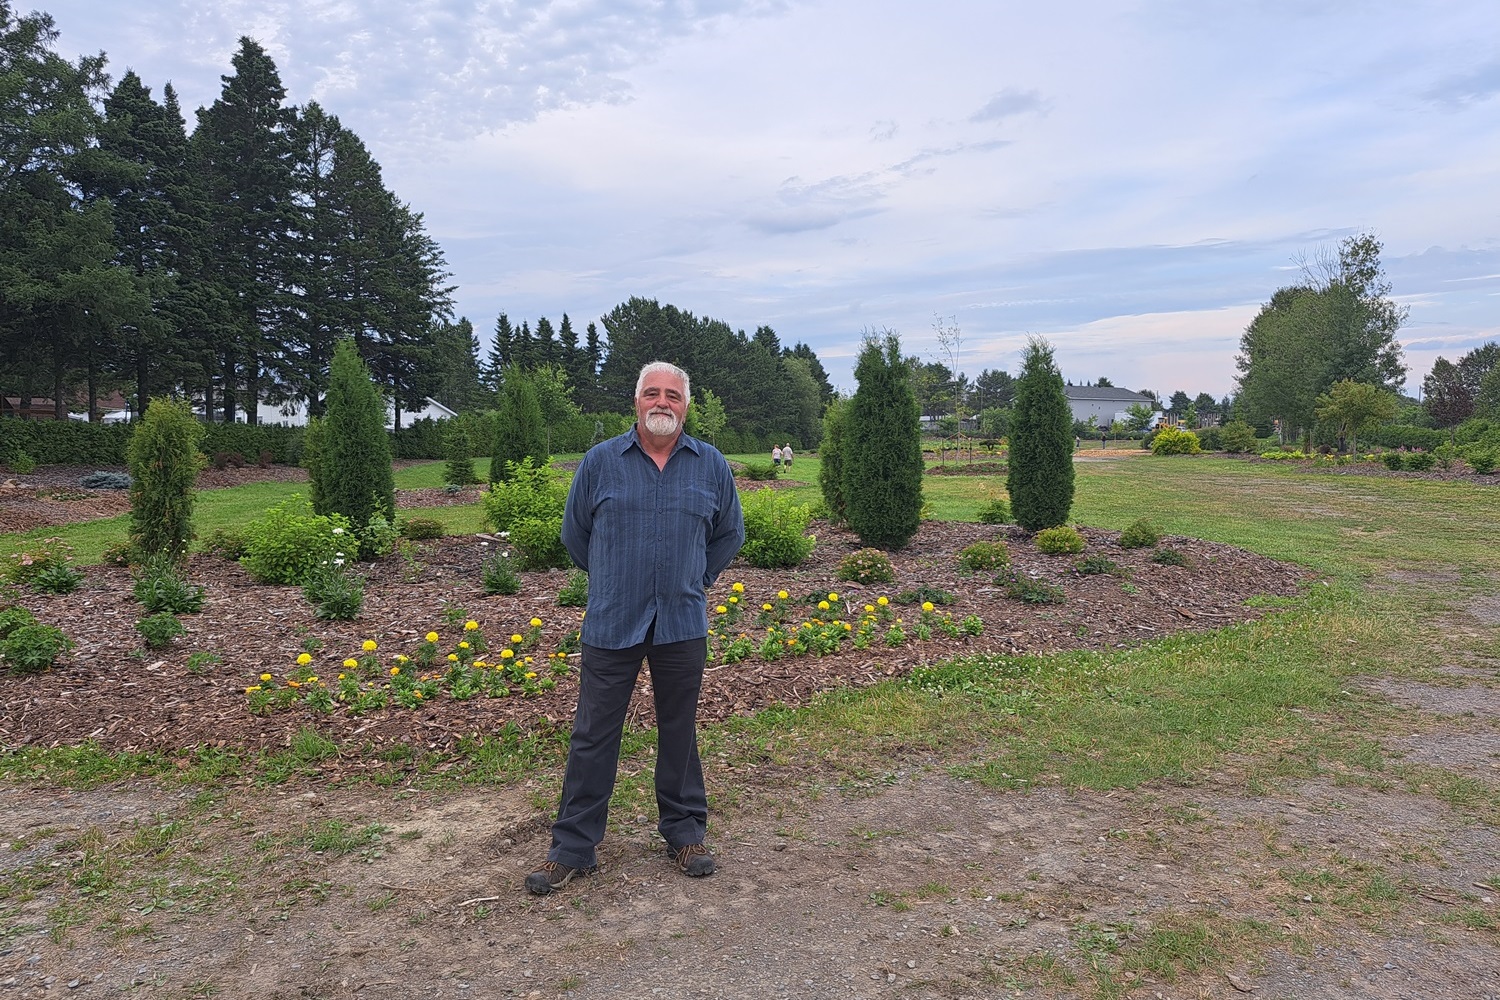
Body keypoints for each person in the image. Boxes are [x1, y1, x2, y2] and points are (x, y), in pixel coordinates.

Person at [526, 360, 745, 896]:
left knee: (680, 729)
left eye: (673, 394)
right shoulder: (601, 463)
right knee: (592, 735)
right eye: (653, 393)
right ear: (637, 401)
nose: (662, 402)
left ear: (685, 405)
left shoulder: (710, 464)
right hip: (611, 620)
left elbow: (729, 533)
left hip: (681, 621)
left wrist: (696, 578)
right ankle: (573, 848)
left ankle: (684, 832)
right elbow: (575, 535)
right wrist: (614, 580)